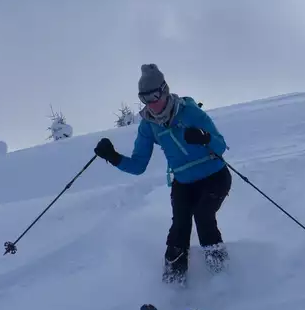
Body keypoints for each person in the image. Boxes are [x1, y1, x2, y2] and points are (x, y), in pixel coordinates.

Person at [94, 64, 232, 286]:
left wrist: (204, 138)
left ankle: (222, 278)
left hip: (214, 175)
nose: (152, 103)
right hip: (184, 184)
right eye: (145, 98)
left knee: (203, 216)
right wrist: (113, 156)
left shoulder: (190, 112)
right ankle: (173, 289)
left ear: (165, 90)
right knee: (179, 229)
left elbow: (221, 145)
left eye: (155, 96)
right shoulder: (148, 126)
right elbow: (138, 165)